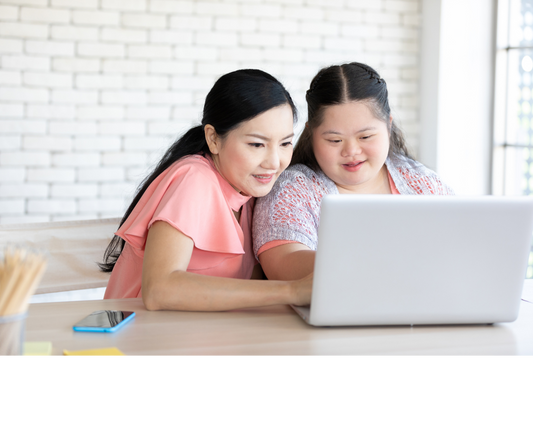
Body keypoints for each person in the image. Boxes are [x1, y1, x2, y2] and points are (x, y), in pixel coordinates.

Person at [101, 69, 312, 311]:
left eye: (285, 143)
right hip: (140, 339)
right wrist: (292, 290)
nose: (274, 162)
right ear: (213, 138)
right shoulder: (194, 178)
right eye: (257, 144)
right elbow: (159, 289)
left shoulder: (248, 192)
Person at [253, 62, 454, 282]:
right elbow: (283, 264)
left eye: (365, 137)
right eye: (335, 140)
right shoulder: (293, 189)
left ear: (388, 126)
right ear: (311, 133)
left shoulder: (421, 181)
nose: (351, 151)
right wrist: (385, 265)